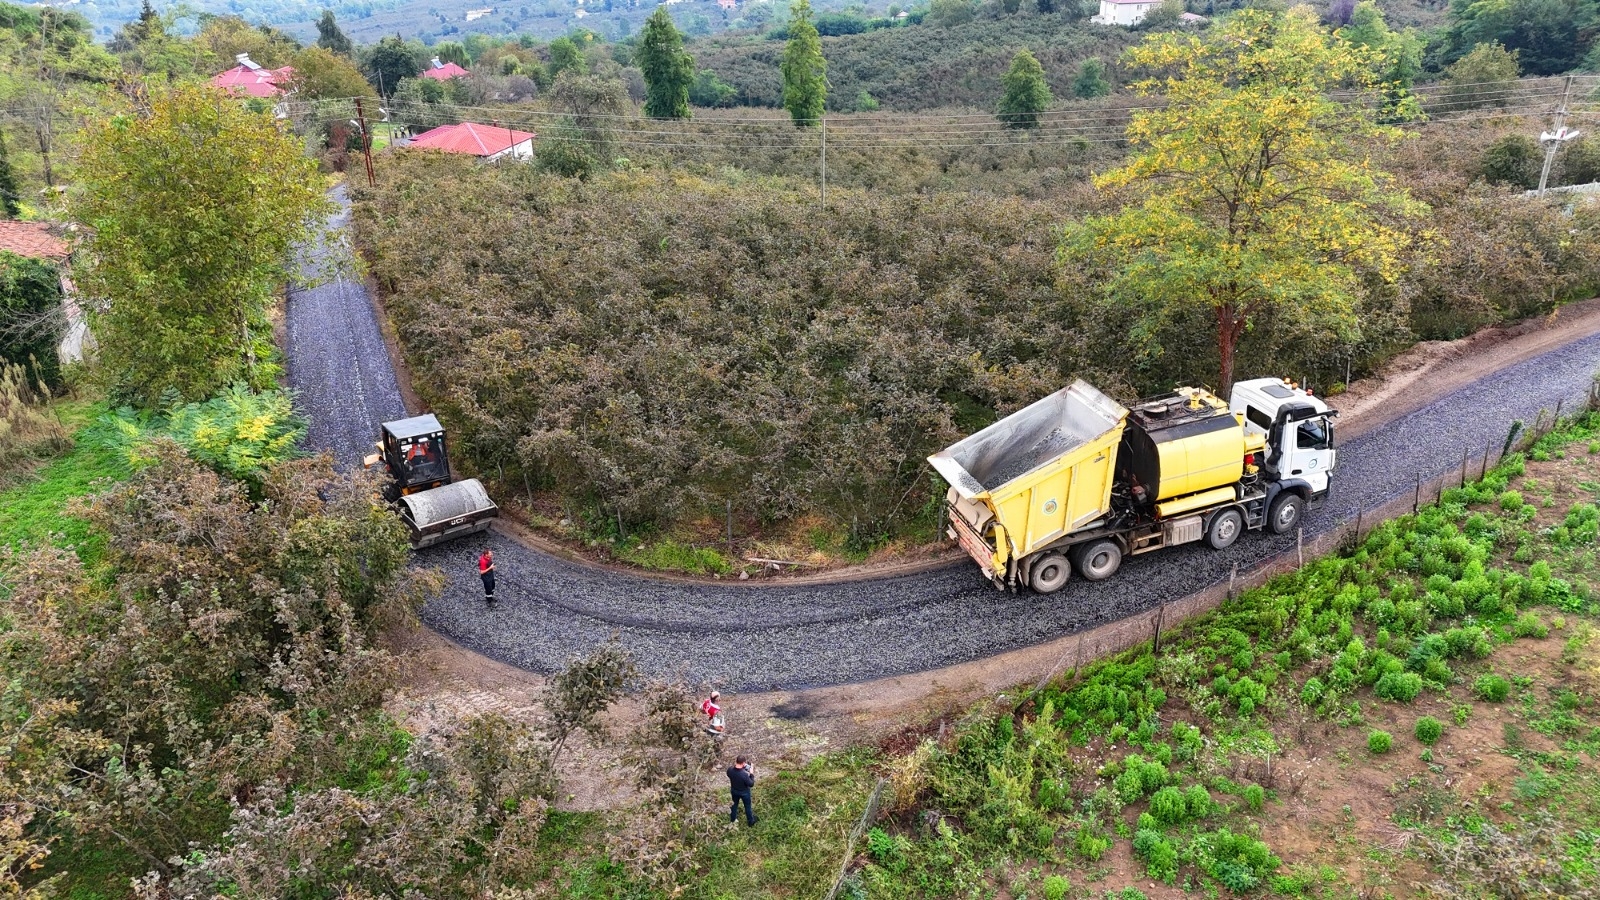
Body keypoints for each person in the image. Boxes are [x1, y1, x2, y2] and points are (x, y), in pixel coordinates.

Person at [727, 755, 756, 827]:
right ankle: (750, 822)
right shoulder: (744, 774)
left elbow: (731, 773)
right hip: (744, 792)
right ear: (743, 763)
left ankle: (733, 820)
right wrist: (751, 774)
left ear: (736, 761)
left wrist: (742, 768)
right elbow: (751, 784)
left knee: (734, 805)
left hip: (734, 790)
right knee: (747, 806)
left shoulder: (730, 770)